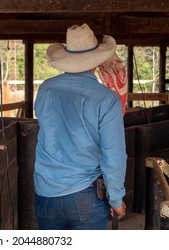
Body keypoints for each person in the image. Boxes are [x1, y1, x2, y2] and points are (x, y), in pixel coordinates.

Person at [34, 23, 127, 230]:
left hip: (45, 191)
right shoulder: (106, 99)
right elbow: (114, 155)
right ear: (96, 59)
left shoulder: (46, 89)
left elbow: (49, 128)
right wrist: (116, 198)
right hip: (85, 193)